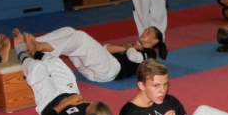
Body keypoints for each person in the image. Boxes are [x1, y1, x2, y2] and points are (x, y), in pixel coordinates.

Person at [13, 30, 117, 115]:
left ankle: (21, 54)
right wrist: (83, 100)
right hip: (69, 93)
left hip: (49, 102)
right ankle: (35, 52)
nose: (91, 102)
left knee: (38, 67)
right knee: (57, 63)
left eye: (91, 105)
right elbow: (92, 104)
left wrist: (66, 103)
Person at [28, 26, 165, 83]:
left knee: (81, 37)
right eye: (145, 30)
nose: (144, 32)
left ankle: (39, 47)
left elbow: (134, 57)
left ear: (155, 41)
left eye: (149, 32)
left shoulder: (150, 53)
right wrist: (124, 46)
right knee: (69, 31)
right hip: (91, 70)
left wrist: (129, 46)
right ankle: (33, 42)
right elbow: (104, 48)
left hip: (111, 71)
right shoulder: (133, 47)